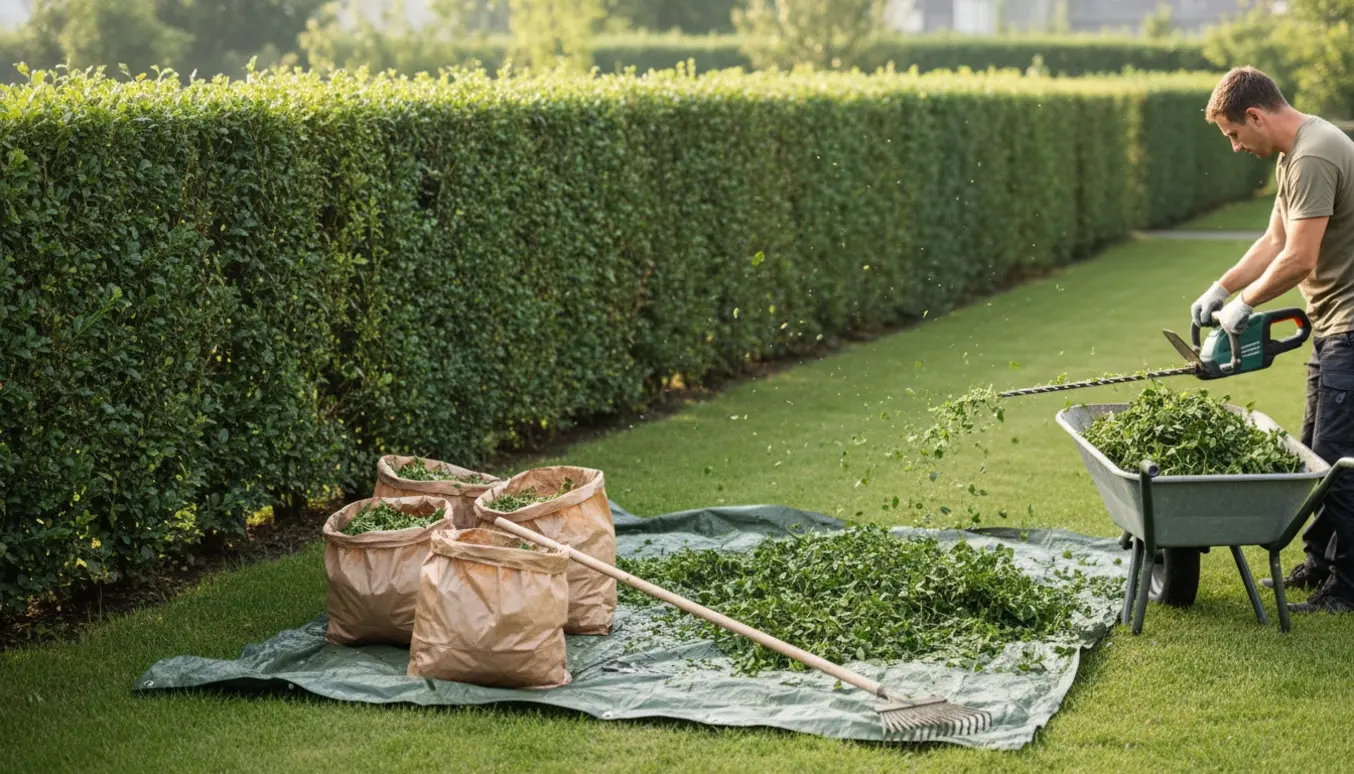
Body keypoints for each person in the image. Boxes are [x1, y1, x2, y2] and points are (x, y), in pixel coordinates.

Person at [1192, 65, 1354, 613]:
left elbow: (1299, 259)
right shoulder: (1295, 154)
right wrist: (1221, 288)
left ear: (1256, 115)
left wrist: (1245, 304)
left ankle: (1348, 589)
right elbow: (1274, 240)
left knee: (1338, 464)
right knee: (1314, 454)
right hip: (1332, 327)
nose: (1236, 147)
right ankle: (1319, 564)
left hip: (1351, 329)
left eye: (1234, 134)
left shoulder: (1314, 155)